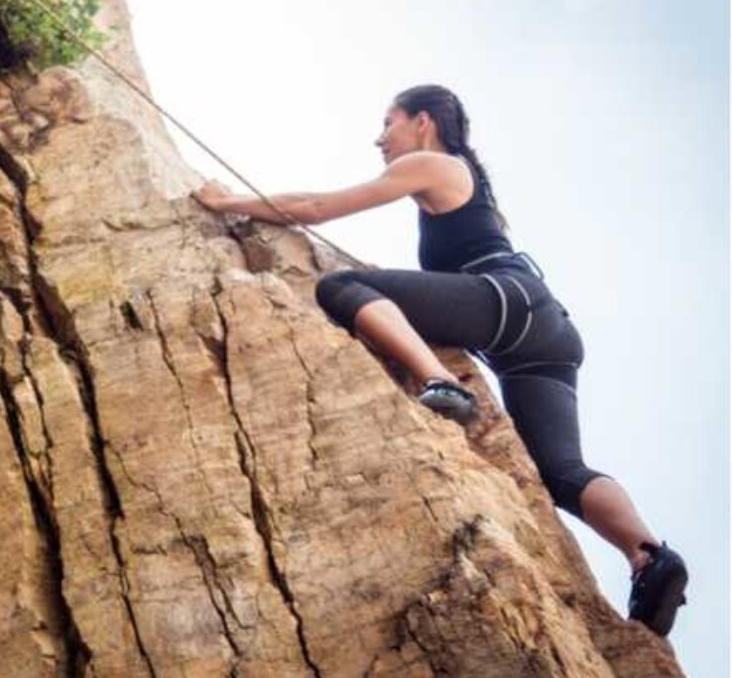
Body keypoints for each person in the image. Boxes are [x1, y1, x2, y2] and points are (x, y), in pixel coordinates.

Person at [190, 84, 687, 638]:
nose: (379, 138)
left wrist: (226, 201)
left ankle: (441, 382)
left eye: (389, 122)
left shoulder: (434, 163)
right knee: (561, 473)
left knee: (343, 287)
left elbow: (315, 209)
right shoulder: (462, 181)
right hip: (543, 333)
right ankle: (650, 558)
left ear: (422, 122)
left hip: (506, 305)